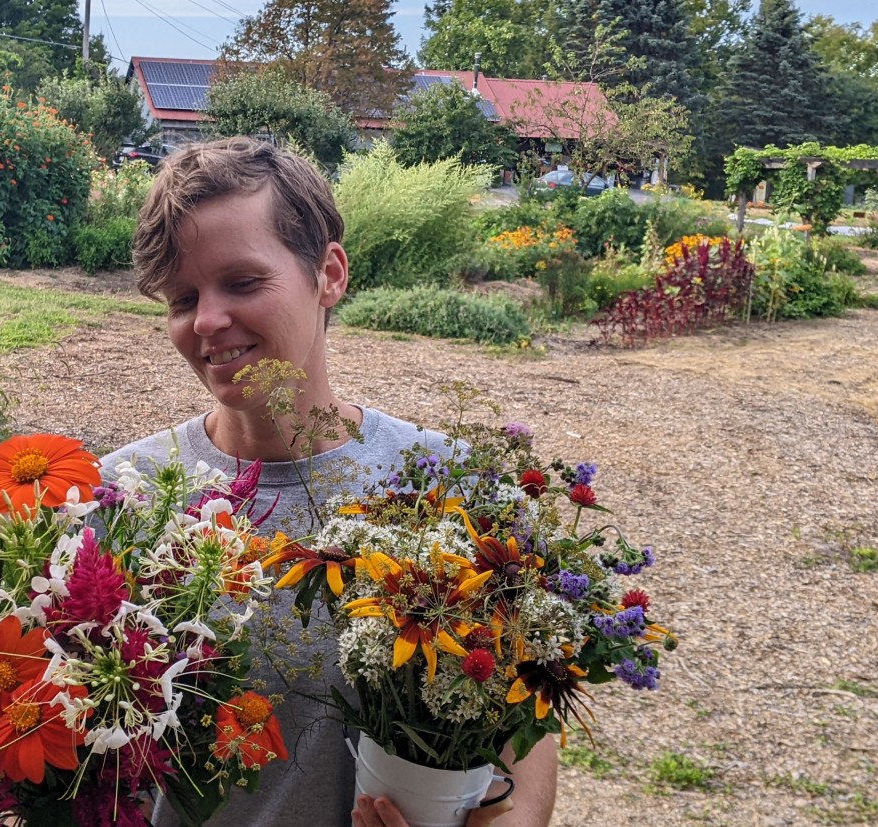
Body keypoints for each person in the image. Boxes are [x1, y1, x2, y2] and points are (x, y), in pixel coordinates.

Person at [100, 136, 558, 827]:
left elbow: (531, 736)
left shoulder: (454, 487)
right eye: (182, 297)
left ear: (330, 274)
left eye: (243, 282)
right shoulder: (122, 495)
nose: (208, 321)